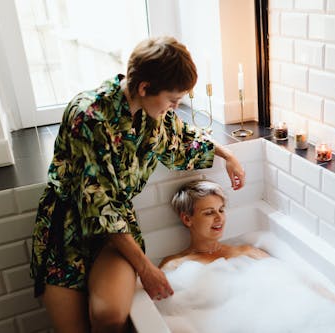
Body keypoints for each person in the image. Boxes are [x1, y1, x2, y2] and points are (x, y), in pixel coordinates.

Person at [30, 36, 245, 333]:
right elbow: (98, 205)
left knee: (108, 316)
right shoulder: (89, 116)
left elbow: (183, 140)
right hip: (66, 229)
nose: (174, 107)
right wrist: (146, 268)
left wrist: (227, 153)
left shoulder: (155, 114)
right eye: (172, 99)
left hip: (116, 228)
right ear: (144, 87)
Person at [159, 180, 335, 319]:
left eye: (222, 210)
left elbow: (297, 279)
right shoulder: (175, 266)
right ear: (187, 219)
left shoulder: (246, 251)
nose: (219, 218)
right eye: (208, 212)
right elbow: (170, 314)